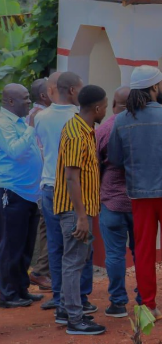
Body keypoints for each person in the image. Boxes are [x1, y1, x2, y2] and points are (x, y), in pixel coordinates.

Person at [108, 66, 162, 325]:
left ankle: (148, 308)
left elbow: (114, 158)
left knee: (144, 251)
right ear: (155, 87)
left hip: (138, 195)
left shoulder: (122, 120)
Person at [35, 72, 95, 316]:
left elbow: (42, 149)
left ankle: (61, 298)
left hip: (48, 186)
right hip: (72, 189)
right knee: (81, 245)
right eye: (80, 88)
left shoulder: (40, 117)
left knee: (56, 246)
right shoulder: (78, 117)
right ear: (71, 91)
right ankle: (79, 299)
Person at [54, 85, 108, 335]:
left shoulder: (84, 129)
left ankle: (66, 309)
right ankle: (75, 319)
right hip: (74, 211)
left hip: (79, 209)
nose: (106, 110)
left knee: (74, 261)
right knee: (74, 263)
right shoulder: (77, 133)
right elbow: (71, 177)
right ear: (97, 108)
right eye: (105, 106)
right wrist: (81, 217)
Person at [95, 86, 140, 318]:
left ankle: (118, 303)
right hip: (140, 203)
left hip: (111, 201)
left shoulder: (104, 129)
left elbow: (96, 165)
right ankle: (144, 298)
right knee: (141, 252)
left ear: (114, 104)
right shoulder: (143, 127)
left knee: (114, 254)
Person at [0, 83, 43, 308]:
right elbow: (15, 151)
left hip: (28, 193)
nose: (29, 102)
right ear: (10, 102)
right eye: (25, 98)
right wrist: (31, 127)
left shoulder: (18, 122)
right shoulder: (4, 123)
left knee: (25, 245)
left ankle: (21, 289)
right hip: (12, 191)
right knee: (11, 246)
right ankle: (7, 294)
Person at [27, 77, 52, 292]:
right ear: (44, 96)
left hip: (39, 183)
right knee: (47, 227)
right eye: (52, 89)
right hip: (42, 182)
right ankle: (41, 271)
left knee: (45, 226)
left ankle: (42, 270)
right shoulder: (40, 117)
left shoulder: (36, 116)